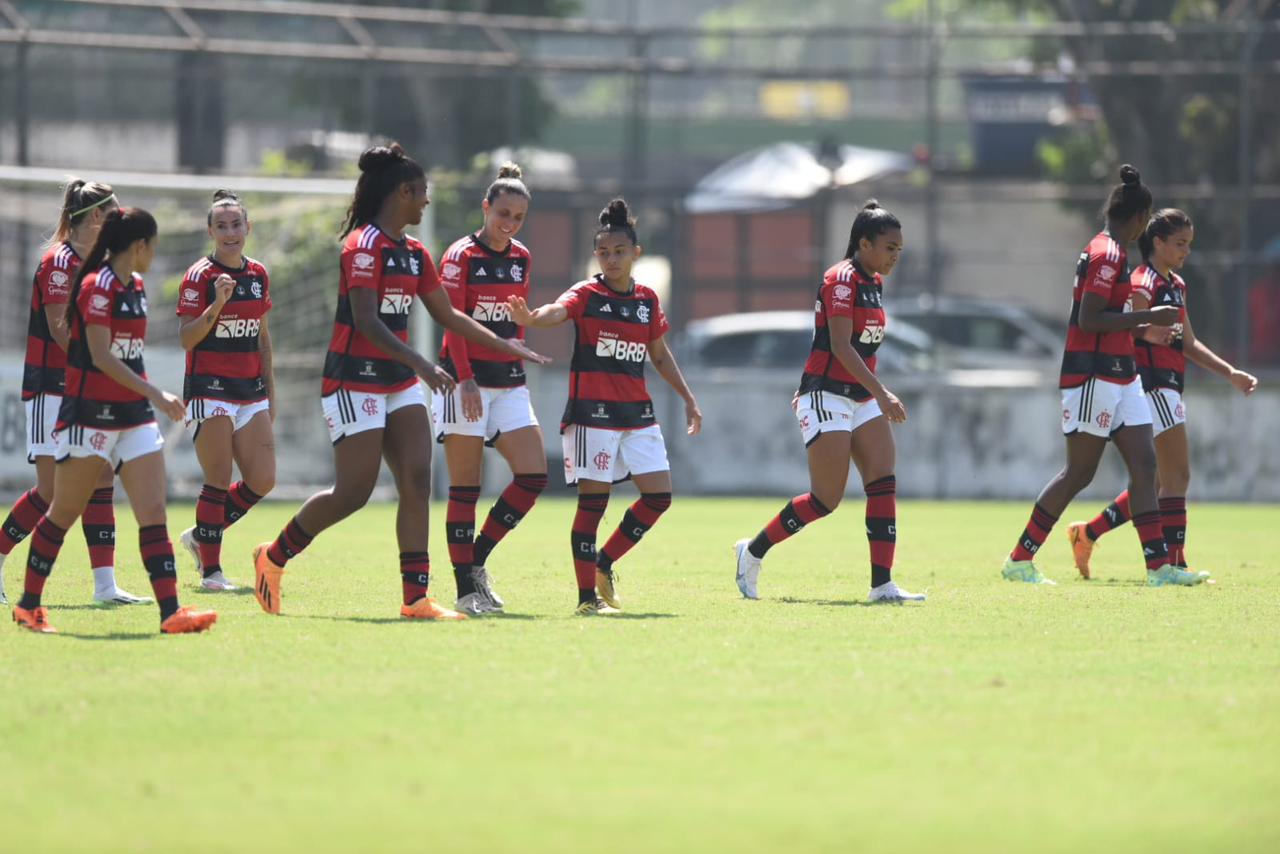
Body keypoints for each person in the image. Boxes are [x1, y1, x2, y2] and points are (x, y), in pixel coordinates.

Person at [250, 143, 547, 620]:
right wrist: (426, 366)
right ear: (401, 193)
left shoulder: (415, 253)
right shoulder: (362, 244)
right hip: (353, 381)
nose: (427, 203)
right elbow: (367, 321)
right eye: (422, 194)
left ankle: (415, 599)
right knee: (354, 492)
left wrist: (505, 343)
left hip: (399, 382)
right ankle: (274, 556)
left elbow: (448, 314)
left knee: (416, 480)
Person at [11, 207, 217, 634]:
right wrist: (155, 393)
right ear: (140, 246)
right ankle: (29, 605)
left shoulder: (137, 285)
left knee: (152, 512)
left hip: (133, 416)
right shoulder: (95, 286)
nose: (154, 254)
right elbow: (101, 356)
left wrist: (146, 397)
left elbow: (130, 355)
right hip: (90, 415)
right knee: (62, 511)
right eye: (153, 246)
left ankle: (171, 612)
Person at [1001, 165, 1207, 587]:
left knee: (1146, 464)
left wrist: (1143, 322)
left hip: (1122, 373)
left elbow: (1110, 316)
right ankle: (1019, 559)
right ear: (1139, 217)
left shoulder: (1115, 250)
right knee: (1079, 473)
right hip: (1093, 374)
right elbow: (1090, 318)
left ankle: (1159, 567)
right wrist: (1151, 315)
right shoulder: (1106, 253)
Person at [507, 198, 702, 615]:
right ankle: (585, 601)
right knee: (592, 508)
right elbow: (556, 311)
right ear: (596, 255)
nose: (611, 259)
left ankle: (604, 562)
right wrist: (531, 317)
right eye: (603, 252)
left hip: (638, 415)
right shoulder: (587, 293)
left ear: (636, 253)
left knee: (659, 496)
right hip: (591, 416)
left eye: (619, 252)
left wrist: (687, 398)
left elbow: (660, 355)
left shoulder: (647, 299)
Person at [733, 200, 925, 603]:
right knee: (826, 499)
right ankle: (752, 552)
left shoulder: (873, 282)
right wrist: (882, 392)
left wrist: (872, 394)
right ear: (864, 243)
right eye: (889, 247)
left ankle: (882, 585)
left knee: (882, 480)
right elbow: (839, 346)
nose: (894, 256)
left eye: (899, 250)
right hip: (826, 395)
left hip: (860, 396)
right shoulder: (841, 280)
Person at [1067, 209, 1258, 577]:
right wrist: (1146, 331)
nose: (1186, 251)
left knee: (1155, 483)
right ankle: (1173, 562)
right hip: (1149, 384)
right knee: (1178, 476)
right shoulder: (1141, 282)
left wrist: (1229, 372)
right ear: (1158, 242)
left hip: (1169, 382)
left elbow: (1188, 342)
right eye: (1180, 243)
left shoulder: (1177, 285)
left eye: (1189, 244)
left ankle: (1087, 533)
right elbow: (1126, 330)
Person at [0, 179, 148, 607]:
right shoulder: (59, 263)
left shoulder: (106, 265)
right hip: (53, 388)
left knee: (100, 478)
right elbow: (60, 331)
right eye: (115, 212)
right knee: (51, 490)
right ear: (97, 217)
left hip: (90, 389)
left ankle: (105, 587)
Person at [432, 163, 546, 615]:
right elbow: (452, 322)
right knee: (466, 486)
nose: (509, 224)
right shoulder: (461, 256)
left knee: (533, 476)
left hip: (509, 379)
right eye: (502, 213)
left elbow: (515, 316)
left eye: (517, 217)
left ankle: (475, 562)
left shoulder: (521, 256)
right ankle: (464, 591)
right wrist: (465, 378)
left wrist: (526, 327)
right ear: (485, 207)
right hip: (466, 380)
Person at [174, 190, 277, 591]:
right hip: (209, 388)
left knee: (263, 480)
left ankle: (202, 535)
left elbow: (263, 337)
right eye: (222, 226)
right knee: (217, 477)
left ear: (247, 228)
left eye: (236, 225)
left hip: (250, 391)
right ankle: (211, 573)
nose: (230, 232)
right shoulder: (199, 276)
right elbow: (186, 338)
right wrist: (216, 304)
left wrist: (271, 392)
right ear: (210, 231)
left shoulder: (258, 274)